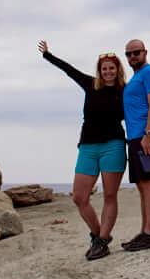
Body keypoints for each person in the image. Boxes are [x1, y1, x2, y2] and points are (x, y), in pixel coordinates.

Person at [38, 40, 126, 261]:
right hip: (87, 146)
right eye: (104, 68)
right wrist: (48, 55)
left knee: (109, 195)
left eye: (111, 68)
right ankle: (97, 235)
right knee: (79, 197)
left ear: (118, 70)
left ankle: (103, 241)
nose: (108, 72)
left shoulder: (125, 91)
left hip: (113, 146)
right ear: (100, 71)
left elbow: (140, 110)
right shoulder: (90, 84)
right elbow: (68, 70)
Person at [120, 39, 150, 251]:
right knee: (142, 185)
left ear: (145, 52)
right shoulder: (137, 77)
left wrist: (148, 133)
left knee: (149, 183)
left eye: (136, 53)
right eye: (128, 54)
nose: (132, 57)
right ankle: (145, 231)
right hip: (135, 137)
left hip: (145, 137)